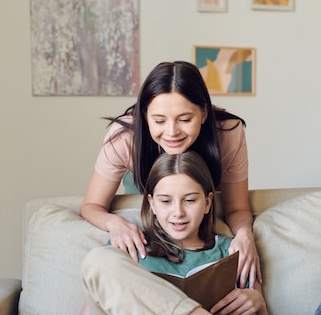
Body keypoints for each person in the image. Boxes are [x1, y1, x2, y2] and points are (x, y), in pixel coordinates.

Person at [70, 151, 321, 315]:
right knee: (98, 259)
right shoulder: (132, 249)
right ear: (151, 204)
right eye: (166, 201)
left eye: (190, 200)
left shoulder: (233, 250)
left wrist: (257, 306)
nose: (178, 212)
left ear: (207, 202)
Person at [81, 60, 258, 288]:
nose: (172, 132)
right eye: (159, 121)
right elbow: (91, 205)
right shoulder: (125, 137)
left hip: (198, 223)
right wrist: (115, 223)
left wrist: (245, 235)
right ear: (145, 115)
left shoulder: (228, 133)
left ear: (204, 113)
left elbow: (237, 208)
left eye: (185, 120)